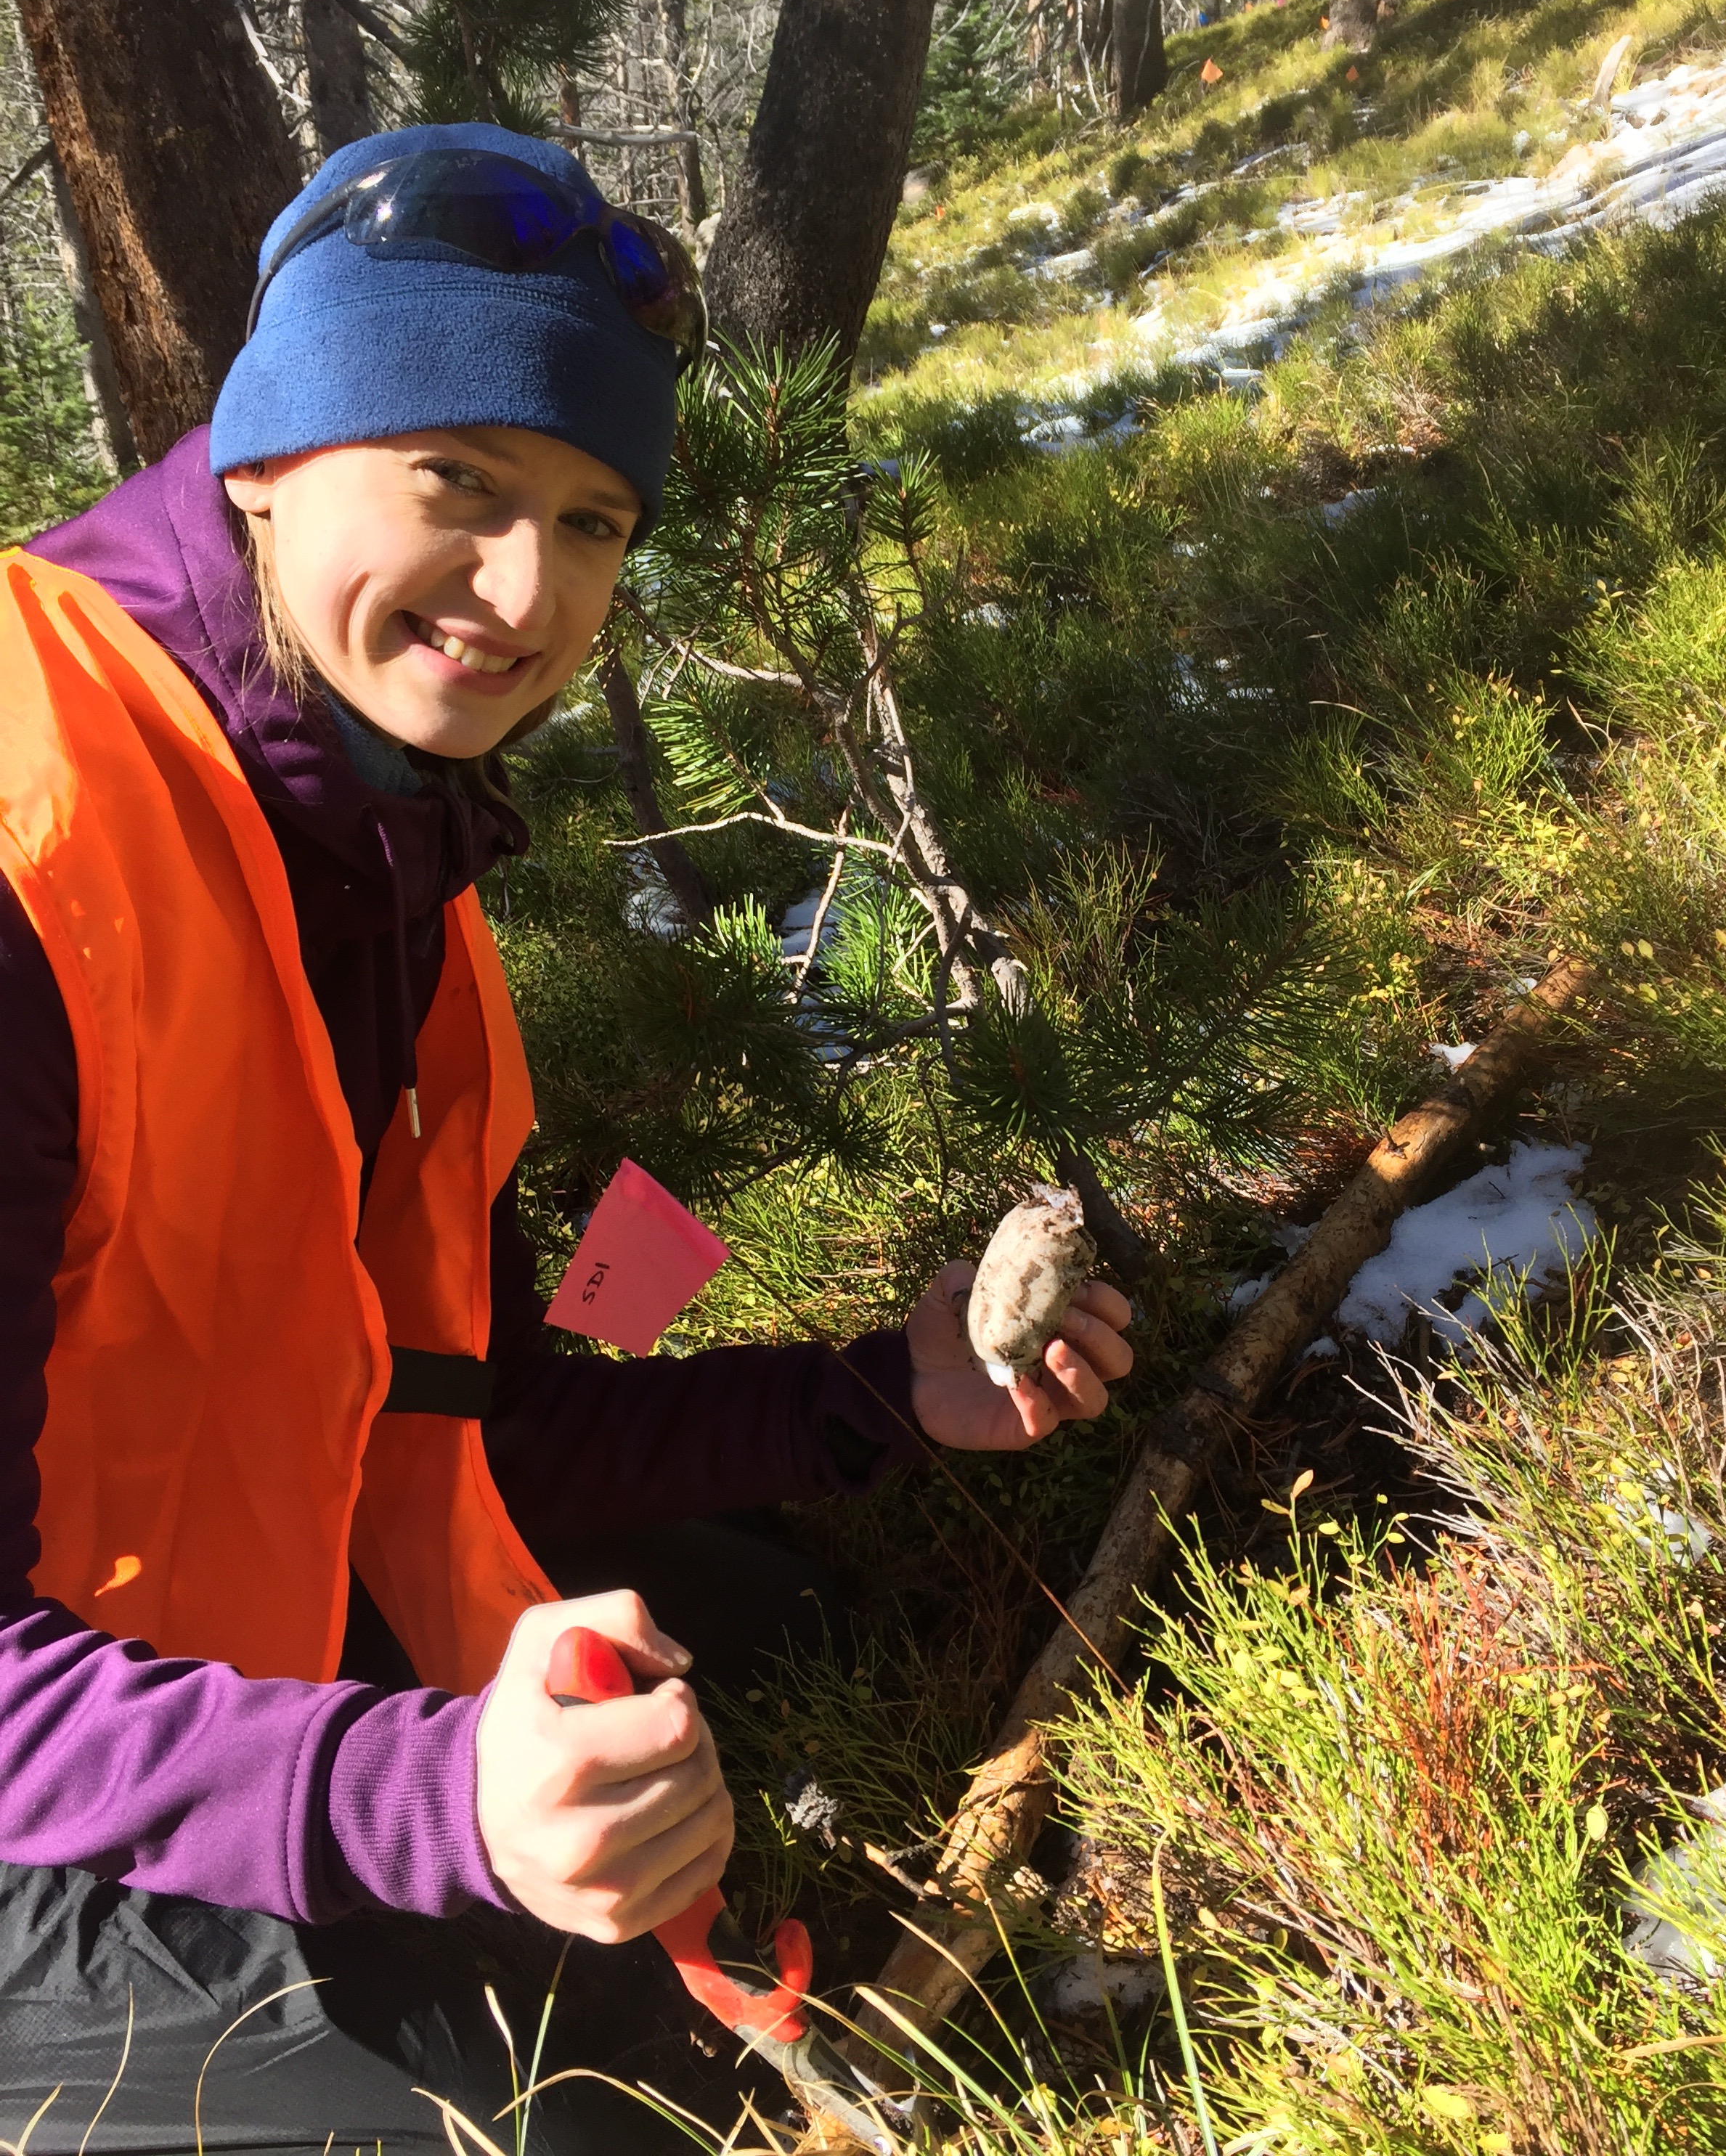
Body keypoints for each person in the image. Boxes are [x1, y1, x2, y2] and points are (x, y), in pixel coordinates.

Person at [0, 124, 1134, 2152]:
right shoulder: (33, 840)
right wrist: (424, 1799)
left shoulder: (374, 864)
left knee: (763, 1625)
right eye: (459, 481)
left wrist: (890, 1396)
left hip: (192, 1661)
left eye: (596, 521)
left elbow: (467, 1422)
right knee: (578, 2126)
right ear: (262, 454)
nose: (527, 594)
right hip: (41, 1786)